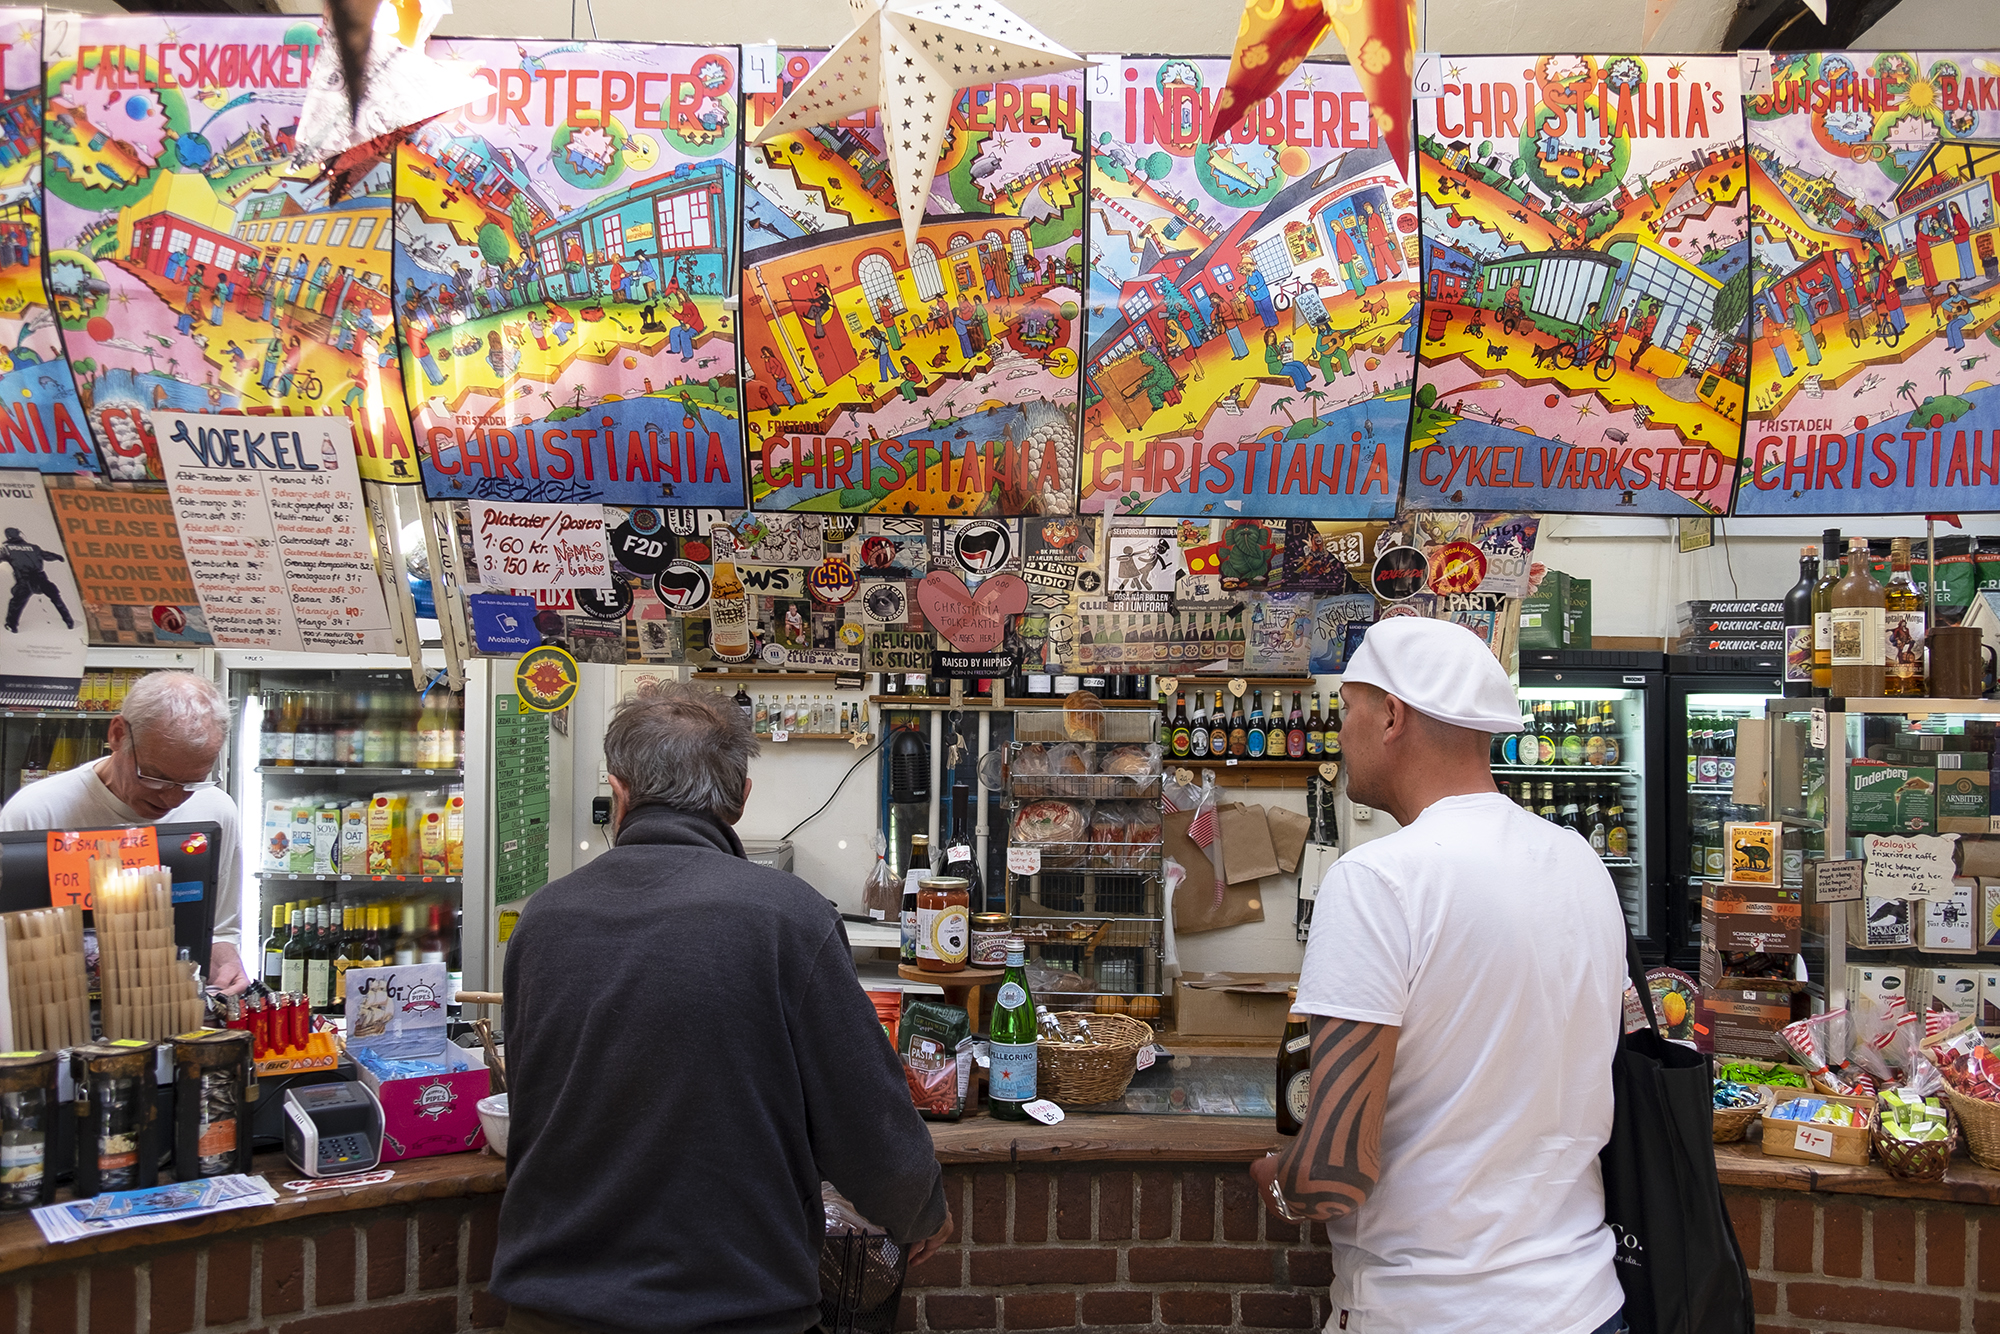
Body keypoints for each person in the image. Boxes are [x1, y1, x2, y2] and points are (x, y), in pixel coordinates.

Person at [493, 684, 950, 1334]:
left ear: (620, 792)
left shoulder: (543, 918)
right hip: (736, 1307)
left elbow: (529, 1093)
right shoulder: (789, 916)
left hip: (550, 1304)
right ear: (739, 799)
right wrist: (919, 1209)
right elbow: (861, 1113)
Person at [1252, 618, 1625, 1334]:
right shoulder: (1578, 861)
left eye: (1349, 711)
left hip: (1431, 1313)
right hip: (1585, 1305)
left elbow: (1334, 1172)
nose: (1341, 733)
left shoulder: (1378, 880)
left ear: (1392, 715)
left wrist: (1276, 1184)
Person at [0, 672, 246, 992]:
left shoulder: (215, 810)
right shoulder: (36, 811)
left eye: (192, 783)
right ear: (117, 734)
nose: (171, 798)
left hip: (170, 1012)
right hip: (56, 1015)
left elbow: (221, 927)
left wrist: (226, 960)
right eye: (155, 777)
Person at [1, 527, 74, 631]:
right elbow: (47, 555)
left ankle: (11, 625)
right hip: (40, 578)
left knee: (16, 603)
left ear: (8, 536)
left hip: (24, 580)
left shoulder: (6, 548)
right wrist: (58, 557)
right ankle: (69, 621)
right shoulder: (33, 547)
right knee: (56, 598)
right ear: (19, 535)